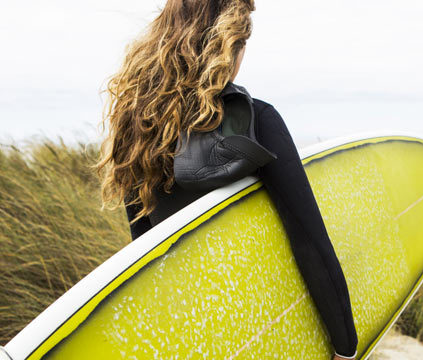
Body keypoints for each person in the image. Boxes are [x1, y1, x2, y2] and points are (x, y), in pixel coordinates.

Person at [93, 1, 358, 359]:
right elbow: (310, 241)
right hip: (261, 321)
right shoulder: (257, 120)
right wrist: (345, 346)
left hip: (193, 331)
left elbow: (145, 250)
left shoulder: (136, 130)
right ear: (229, 46)